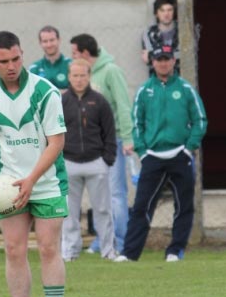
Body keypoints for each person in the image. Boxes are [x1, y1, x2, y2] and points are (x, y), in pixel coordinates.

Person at [0, 30, 68, 297]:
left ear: (22, 54)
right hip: (9, 185)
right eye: (4, 61)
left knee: (49, 248)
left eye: (16, 58)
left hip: (47, 181)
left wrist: (32, 179)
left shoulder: (45, 92)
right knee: (14, 249)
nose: (11, 65)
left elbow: (56, 143)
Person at [115, 46, 207, 262]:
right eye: (159, 60)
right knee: (141, 206)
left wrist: (188, 147)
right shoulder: (145, 90)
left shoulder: (185, 89)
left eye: (167, 59)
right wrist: (143, 152)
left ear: (173, 62)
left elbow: (200, 120)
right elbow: (135, 123)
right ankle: (130, 253)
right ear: (153, 63)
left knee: (183, 205)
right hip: (153, 157)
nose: (163, 63)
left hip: (180, 155)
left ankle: (175, 250)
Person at [70, 33, 133, 254]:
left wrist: (127, 138)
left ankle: (120, 241)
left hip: (112, 140)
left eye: (75, 53)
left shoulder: (111, 71)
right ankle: (101, 240)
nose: (73, 58)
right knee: (100, 197)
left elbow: (123, 106)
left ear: (86, 54)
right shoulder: (84, 77)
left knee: (115, 194)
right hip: (91, 146)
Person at [61, 59, 117, 261]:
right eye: (75, 75)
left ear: (89, 76)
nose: (79, 79)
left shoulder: (100, 102)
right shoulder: (61, 102)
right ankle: (70, 252)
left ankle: (108, 250)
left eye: (82, 75)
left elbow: (109, 132)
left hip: (96, 163)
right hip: (69, 163)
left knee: (103, 209)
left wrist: (107, 159)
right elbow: (52, 133)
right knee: (68, 212)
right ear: (69, 77)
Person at [141, 0, 179, 75]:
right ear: (156, 14)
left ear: (174, 12)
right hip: (156, 81)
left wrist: (157, 54)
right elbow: (147, 59)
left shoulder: (182, 31)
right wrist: (172, 54)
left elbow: (186, 56)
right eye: (162, 10)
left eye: (169, 10)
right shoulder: (148, 33)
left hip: (180, 78)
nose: (166, 14)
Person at [28, 25, 72, 91]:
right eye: (45, 41)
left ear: (59, 40)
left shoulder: (71, 64)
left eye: (52, 40)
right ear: (40, 43)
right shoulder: (34, 68)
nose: (49, 45)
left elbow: (77, 92)